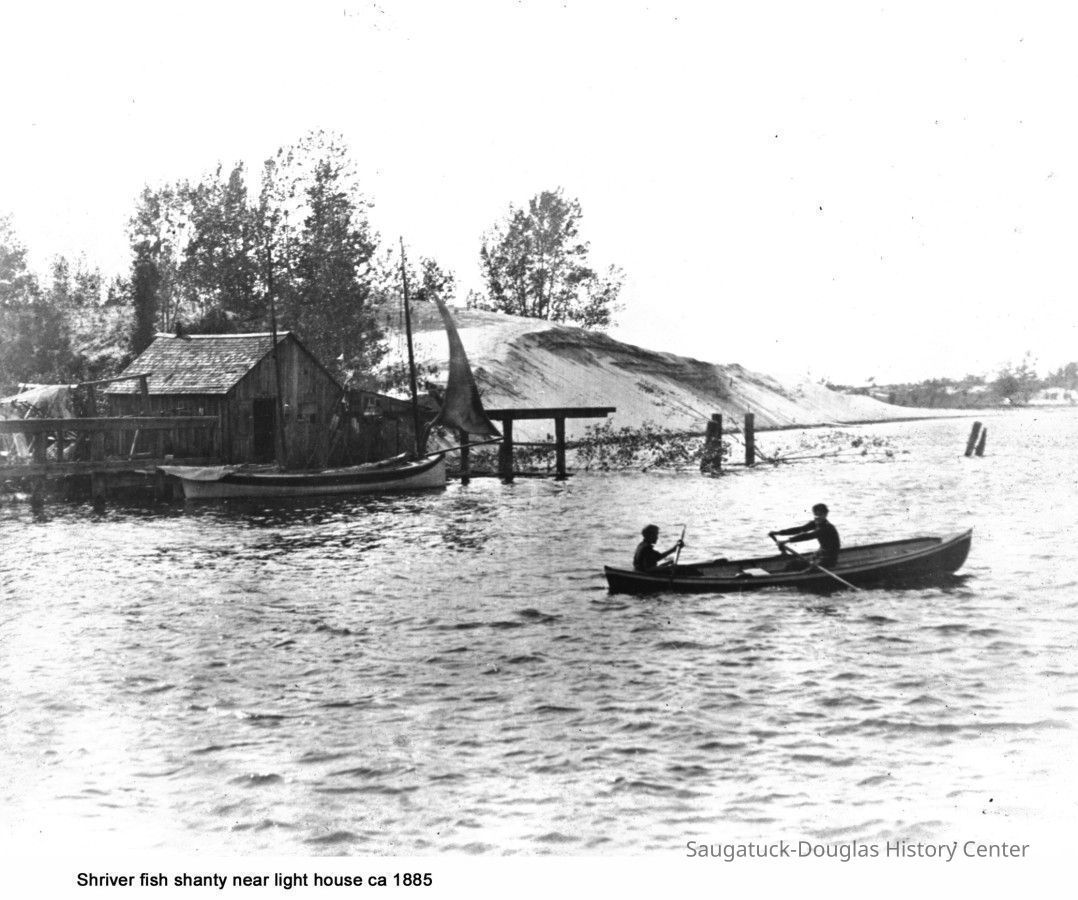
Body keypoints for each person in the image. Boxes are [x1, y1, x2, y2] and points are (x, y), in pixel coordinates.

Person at [769, 503, 841, 569]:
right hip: (819, 555)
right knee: (792, 564)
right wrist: (778, 533)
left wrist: (787, 541)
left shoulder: (827, 528)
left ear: (825, 514)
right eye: (816, 515)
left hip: (829, 559)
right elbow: (800, 529)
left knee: (809, 570)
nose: (817, 517)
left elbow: (808, 536)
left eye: (820, 515)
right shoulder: (816, 523)